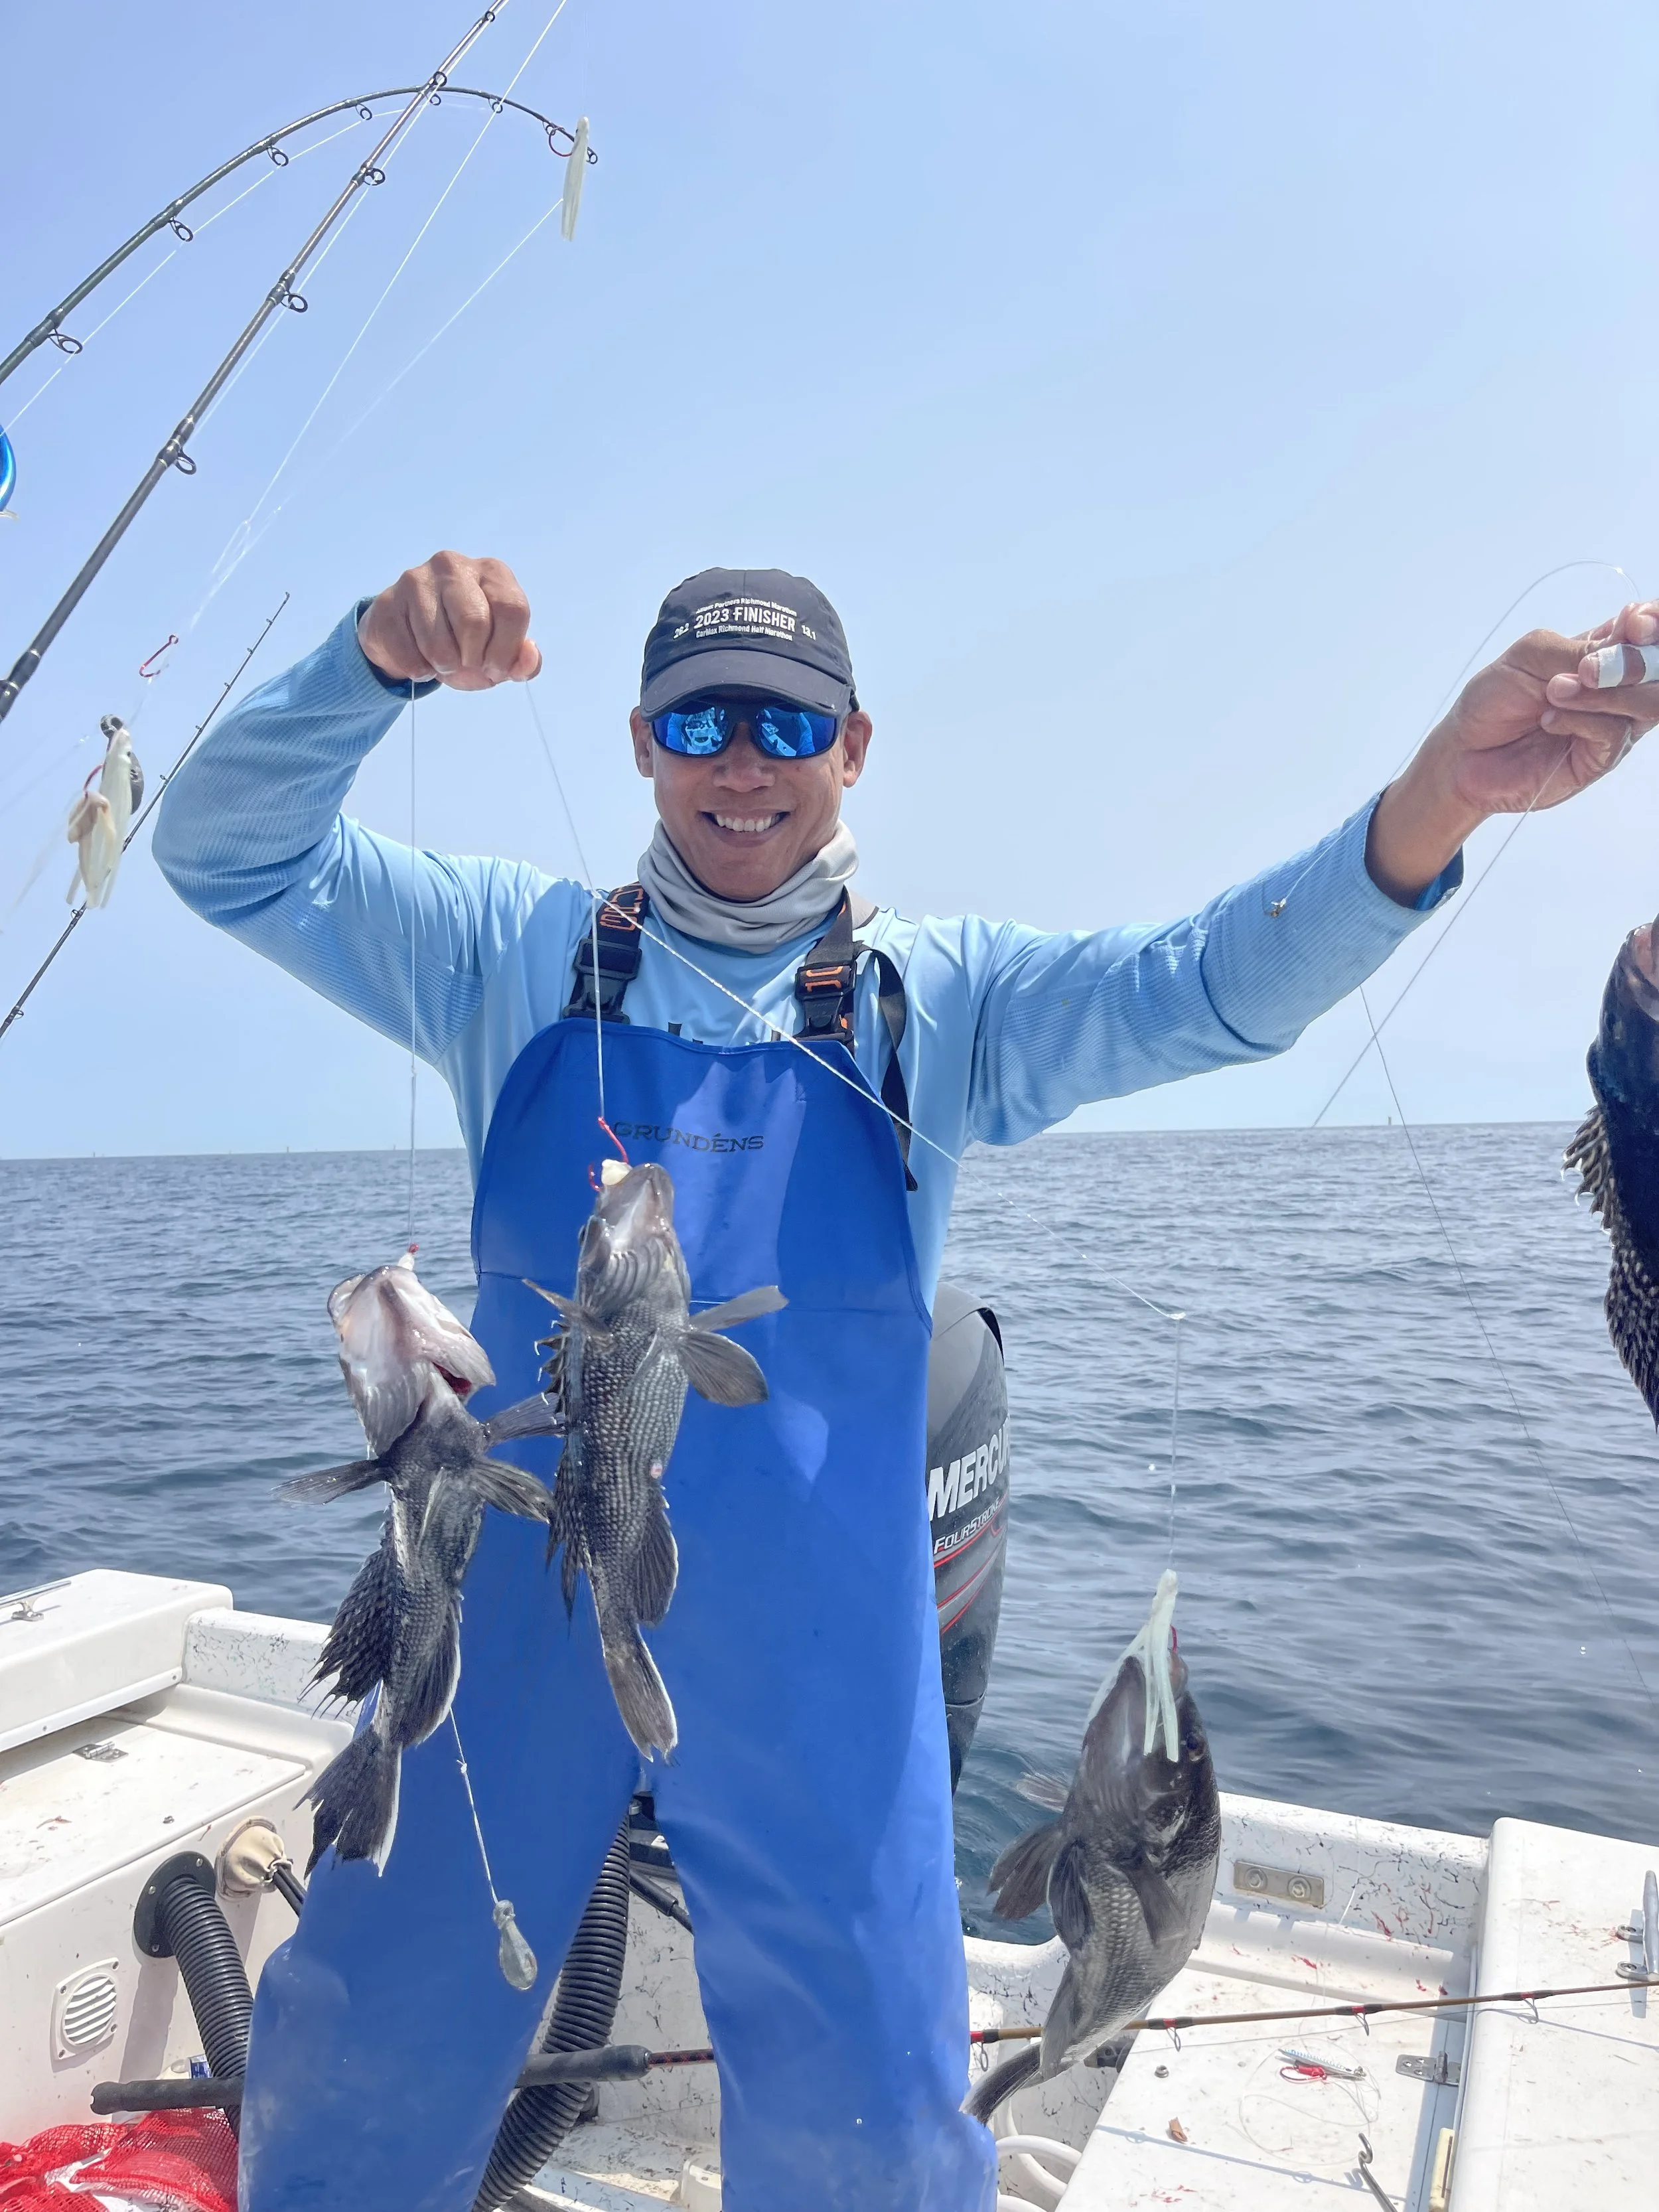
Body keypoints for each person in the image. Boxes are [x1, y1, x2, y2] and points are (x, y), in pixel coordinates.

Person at [155, 558, 1659, 2212]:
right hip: (509, 1610)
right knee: (364, 2049)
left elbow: (1212, 983)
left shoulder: (930, 1002)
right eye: (698, 720)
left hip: (819, 1670)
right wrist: (371, 663)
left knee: (868, 2129)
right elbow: (221, 846)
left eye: (785, 720)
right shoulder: (506, 954)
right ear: (640, 743)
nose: (742, 761)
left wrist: (1440, 790)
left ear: (852, 744)